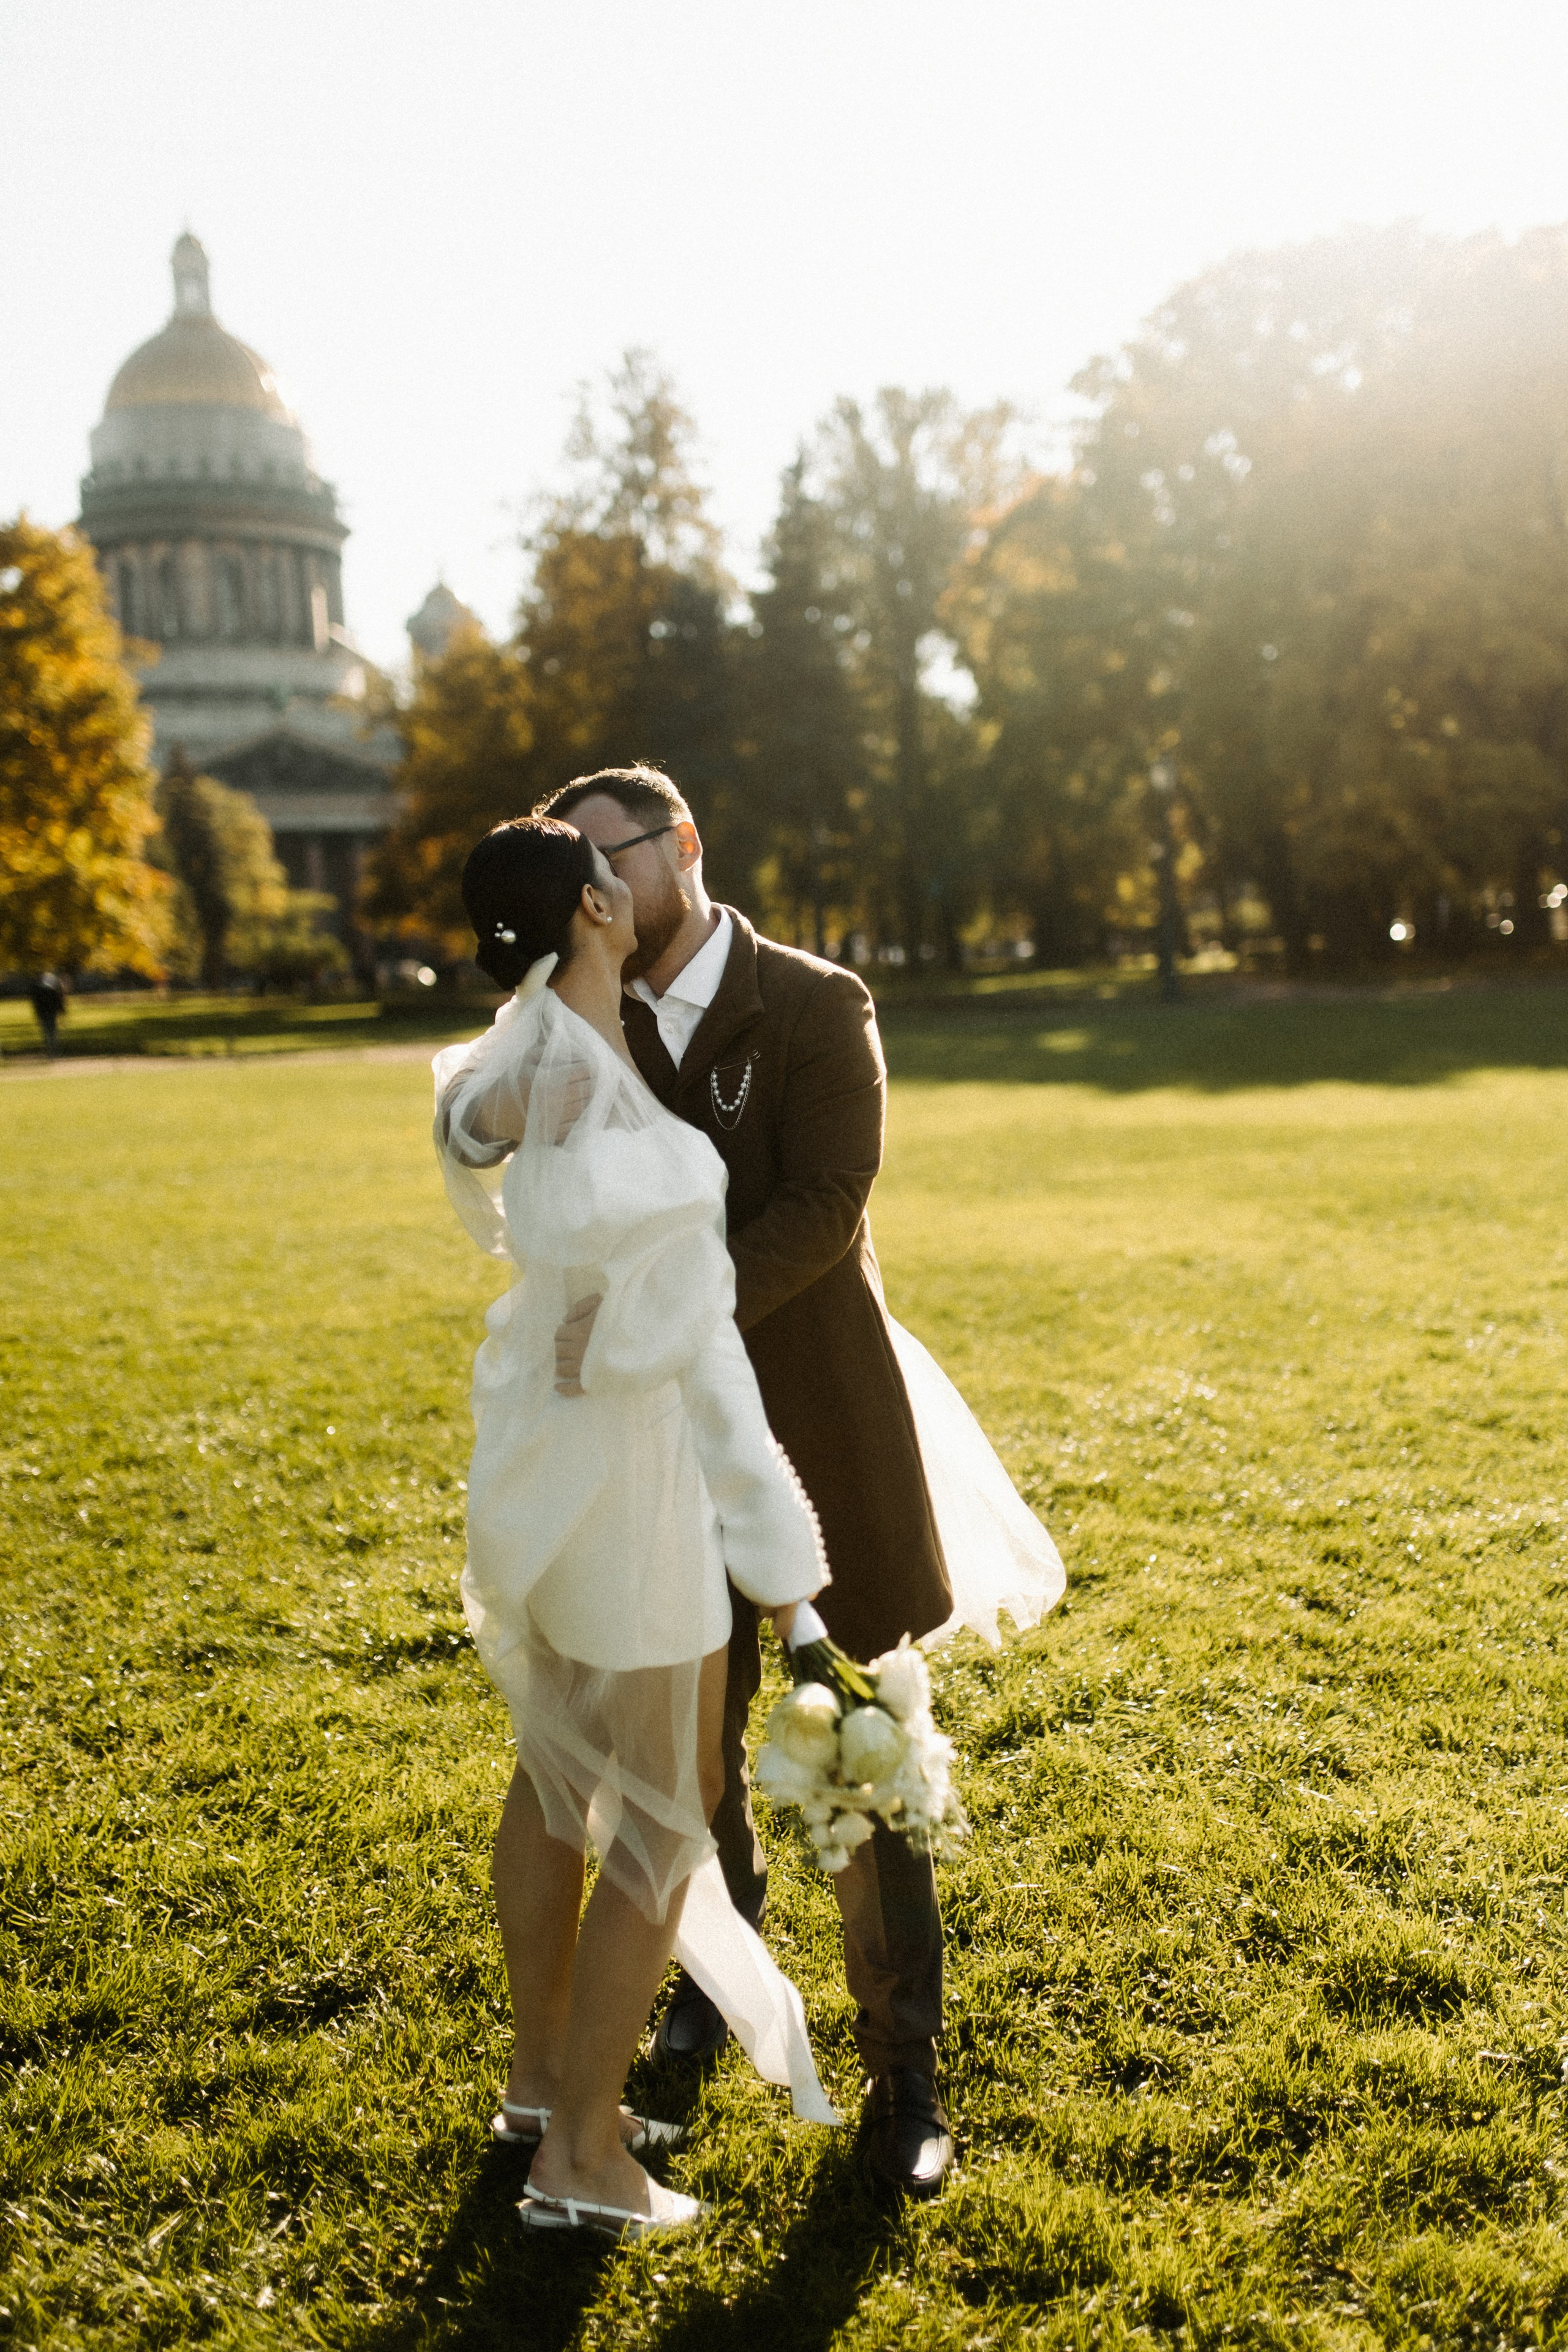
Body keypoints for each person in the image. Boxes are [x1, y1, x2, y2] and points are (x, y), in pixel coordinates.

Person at [535, 764, 1065, 2199]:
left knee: (857, 1760)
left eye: (604, 857)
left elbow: (824, 1209)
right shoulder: (581, 1018)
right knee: (686, 1753)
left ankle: (906, 2084)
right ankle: (714, 1973)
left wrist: (653, 1319)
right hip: (658, 1452)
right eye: (564, 871)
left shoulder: (820, 1003)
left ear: (682, 844)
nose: (588, 892)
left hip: (819, 1433)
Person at [433, 816, 838, 2244]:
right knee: (665, 1821)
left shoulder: (530, 1056)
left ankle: (540, 2086)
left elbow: (473, 1123)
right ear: (601, 903)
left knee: (552, 1786)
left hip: (544, 1485)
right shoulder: (579, 1090)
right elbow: (670, 1340)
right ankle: (584, 2156)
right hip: (635, 1492)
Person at [29, 972, 66, 1056]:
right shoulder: (53, 992)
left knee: (47, 1032)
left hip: (44, 1014)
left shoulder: (38, 993)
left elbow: (37, 1005)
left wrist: (37, 1014)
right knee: (52, 1032)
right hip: (51, 1014)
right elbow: (58, 1003)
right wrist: (62, 1012)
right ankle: (54, 1050)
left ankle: (51, 1050)